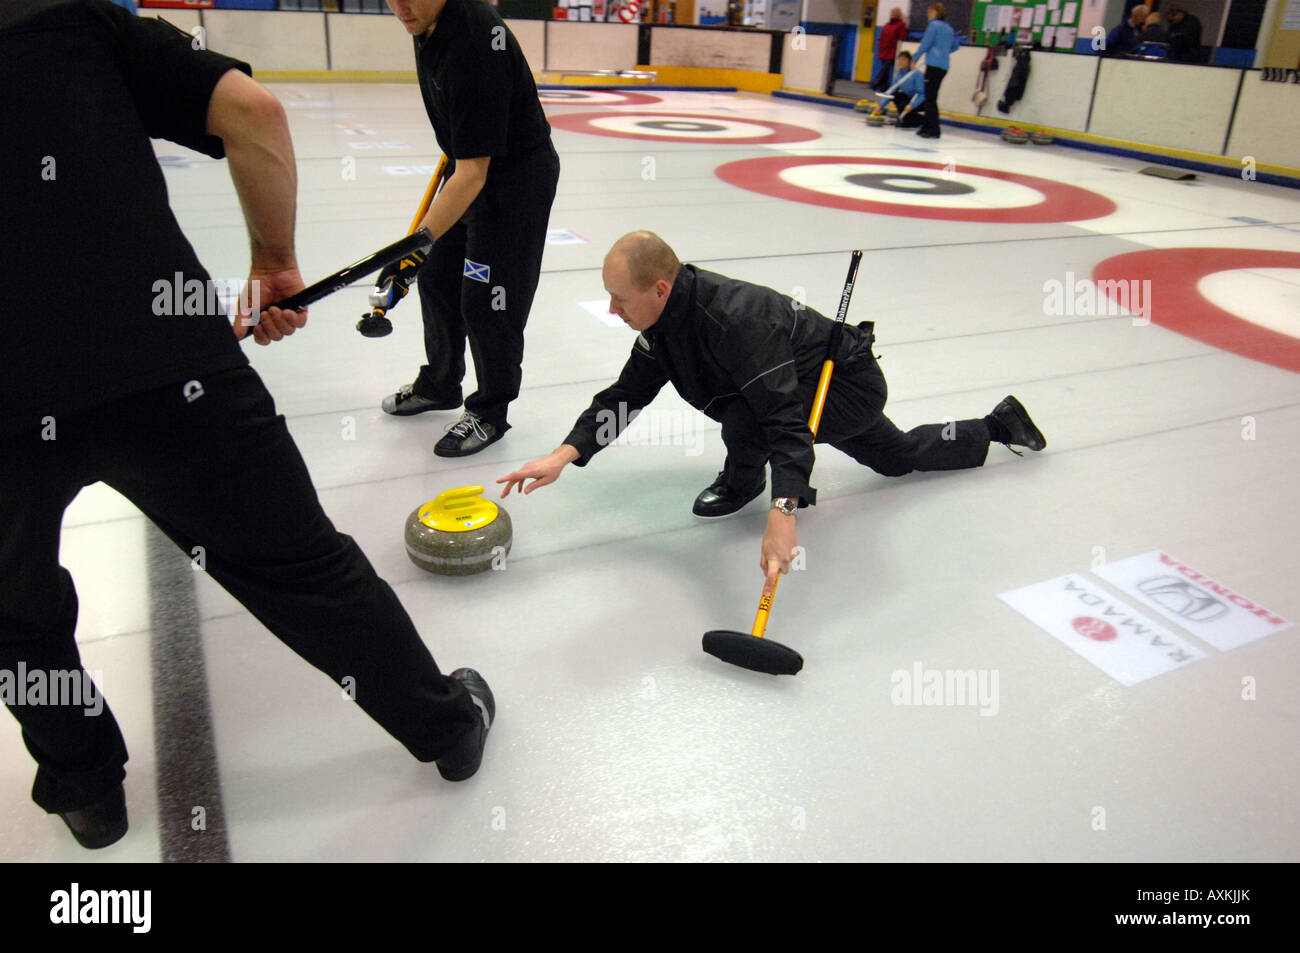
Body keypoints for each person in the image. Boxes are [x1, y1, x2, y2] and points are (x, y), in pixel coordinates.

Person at [0, 0, 494, 851]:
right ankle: (445, 727)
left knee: (14, 614)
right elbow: (251, 111)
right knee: (299, 566)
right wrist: (273, 261)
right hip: (157, 356)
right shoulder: (65, 17)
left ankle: (85, 789)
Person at [497, 232, 1046, 596]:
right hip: (794, 385)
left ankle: (742, 485)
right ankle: (997, 426)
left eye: (620, 298)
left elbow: (783, 420)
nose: (613, 310)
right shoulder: (662, 323)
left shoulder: (735, 321)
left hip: (845, 386)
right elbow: (626, 395)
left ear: (660, 288)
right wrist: (564, 455)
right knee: (896, 458)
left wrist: (783, 510)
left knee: (750, 421)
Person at [376, 0, 561, 458]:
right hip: (467, 170)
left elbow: (475, 175)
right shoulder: (426, 22)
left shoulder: (475, 41)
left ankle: (490, 411)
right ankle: (440, 384)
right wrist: (421, 250)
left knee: (488, 297)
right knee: (437, 279)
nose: (399, 7)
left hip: (512, 184)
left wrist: (413, 246)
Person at [913, 3, 962, 139]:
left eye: (929, 12)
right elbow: (955, 46)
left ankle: (933, 129)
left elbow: (925, 43)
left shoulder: (933, 26)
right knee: (931, 97)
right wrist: (943, 52)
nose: (927, 15)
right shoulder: (949, 28)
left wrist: (915, 58)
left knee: (930, 98)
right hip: (943, 66)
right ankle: (927, 126)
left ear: (936, 12)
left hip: (933, 65)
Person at [873, 7, 909, 93]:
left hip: (892, 51)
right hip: (884, 51)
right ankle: (883, 86)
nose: (893, 13)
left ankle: (877, 83)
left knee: (886, 68)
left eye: (895, 12)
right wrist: (880, 46)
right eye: (892, 12)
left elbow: (901, 38)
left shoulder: (901, 25)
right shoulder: (887, 25)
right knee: (885, 70)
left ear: (898, 14)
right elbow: (881, 37)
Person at [890, 51, 926, 128]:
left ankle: (921, 120)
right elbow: (891, 91)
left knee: (903, 105)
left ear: (909, 62)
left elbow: (922, 94)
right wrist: (880, 106)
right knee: (896, 96)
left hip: (922, 101)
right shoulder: (899, 75)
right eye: (899, 59)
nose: (900, 62)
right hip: (910, 98)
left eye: (903, 59)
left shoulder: (917, 74)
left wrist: (912, 105)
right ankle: (907, 118)